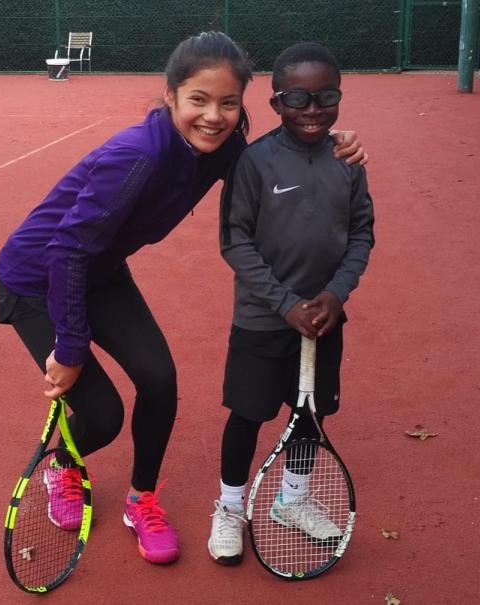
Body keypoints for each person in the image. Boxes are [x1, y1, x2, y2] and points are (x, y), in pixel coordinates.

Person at [0, 32, 366, 565]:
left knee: (160, 380)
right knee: (101, 415)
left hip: (100, 271)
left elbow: (274, 161)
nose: (213, 116)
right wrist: (71, 348)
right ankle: (63, 468)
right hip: (38, 276)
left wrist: (331, 141)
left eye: (228, 103)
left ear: (242, 107)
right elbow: (66, 253)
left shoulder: (222, 149)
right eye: (198, 100)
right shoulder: (138, 156)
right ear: (170, 96)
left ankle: (141, 498)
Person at [207, 41, 375, 565]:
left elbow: (362, 235)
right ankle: (231, 507)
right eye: (297, 99)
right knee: (248, 415)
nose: (313, 109)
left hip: (324, 319)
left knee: (310, 415)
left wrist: (335, 294)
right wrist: (284, 303)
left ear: (339, 97)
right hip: (263, 319)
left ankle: (292, 500)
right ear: (276, 103)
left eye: (326, 96)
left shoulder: (348, 160)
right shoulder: (254, 163)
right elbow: (235, 241)